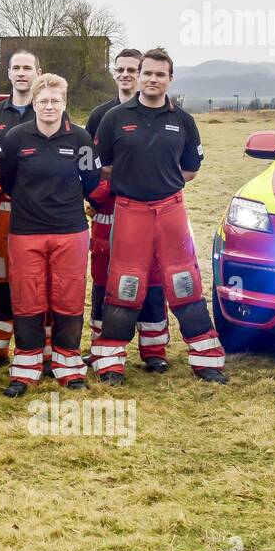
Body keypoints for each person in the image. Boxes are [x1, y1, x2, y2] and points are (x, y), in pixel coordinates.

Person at [93, 49, 227, 384]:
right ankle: (110, 362)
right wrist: (135, 179)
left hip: (170, 210)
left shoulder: (183, 120)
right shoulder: (114, 117)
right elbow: (102, 164)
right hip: (130, 210)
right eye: (147, 73)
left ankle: (206, 358)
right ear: (139, 76)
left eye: (160, 75)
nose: (153, 79)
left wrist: (161, 181)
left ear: (170, 79)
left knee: (185, 282)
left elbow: (190, 170)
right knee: (125, 283)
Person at [0, 74, 102, 396]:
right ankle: (26, 368)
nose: (49, 106)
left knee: (68, 298)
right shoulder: (15, 138)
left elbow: (91, 180)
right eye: (43, 101)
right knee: (28, 300)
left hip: (69, 230)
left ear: (65, 103)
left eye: (55, 101)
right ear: (34, 102)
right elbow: (8, 180)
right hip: (26, 231)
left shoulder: (81, 139)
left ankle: (68, 365)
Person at [84, 48, 169, 370]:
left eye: (133, 69)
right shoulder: (101, 115)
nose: (126, 75)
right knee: (105, 281)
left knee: (151, 277)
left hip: (149, 212)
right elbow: (90, 164)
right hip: (108, 212)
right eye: (120, 69)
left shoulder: (159, 114)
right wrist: (97, 194)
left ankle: (154, 352)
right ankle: (101, 349)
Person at [0, 49, 39, 372]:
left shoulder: (47, 110)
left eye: (27, 68)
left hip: (35, 211)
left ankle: (34, 349)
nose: (21, 73)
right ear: (8, 73)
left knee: (32, 280)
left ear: (37, 73)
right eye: (16, 67)